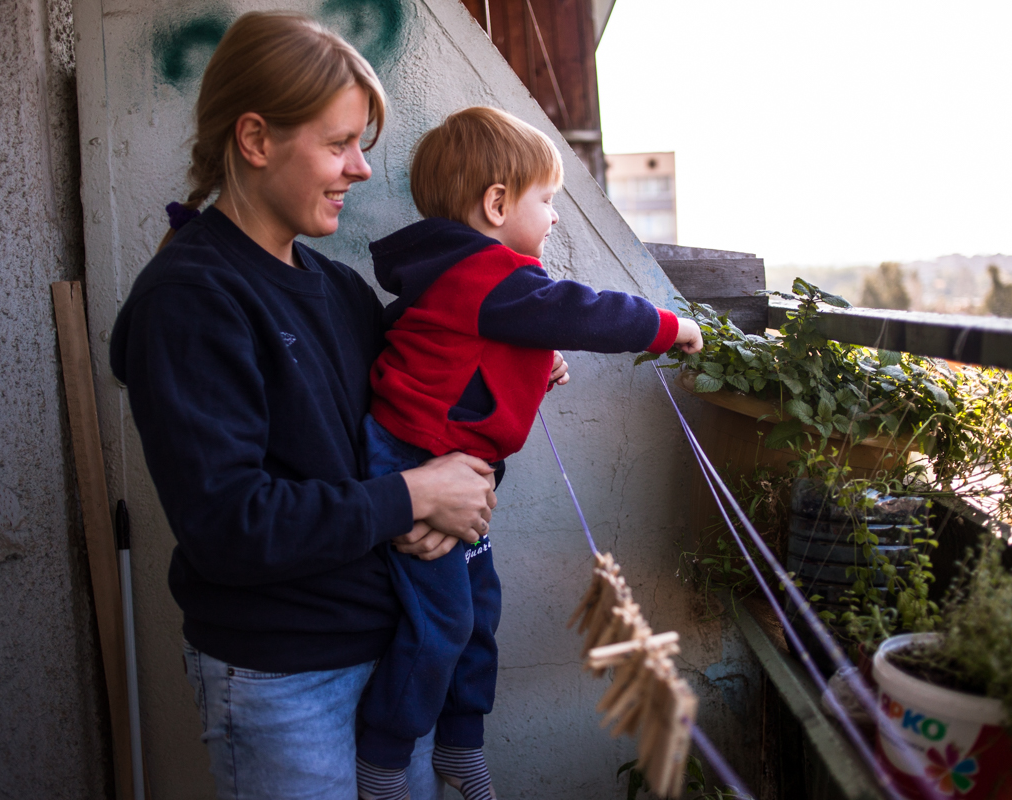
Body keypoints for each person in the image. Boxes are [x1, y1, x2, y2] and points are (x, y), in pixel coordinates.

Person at [107, 13, 553, 800]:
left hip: (392, 664)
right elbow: (229, 525)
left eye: (363, 147)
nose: (363, 170)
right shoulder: (193, 298)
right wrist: (413, 498)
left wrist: (463, 463)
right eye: (341, 143)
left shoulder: (341, 291)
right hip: (284, 682)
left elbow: (422, 444)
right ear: (255, 140)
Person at [352, 106, 704, 800]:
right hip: (411, 462)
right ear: (496, 204)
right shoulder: (490, 274)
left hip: (437, 458)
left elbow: (462, 349)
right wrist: (672, 327)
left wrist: (531, 366)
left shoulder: (467, 278)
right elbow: (582, 312)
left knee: (478, 611)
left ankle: (459, 745)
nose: (553, 219)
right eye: (547, 201)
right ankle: (385, 760)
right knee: (442, 621)